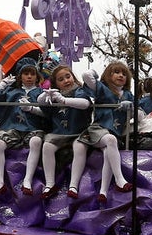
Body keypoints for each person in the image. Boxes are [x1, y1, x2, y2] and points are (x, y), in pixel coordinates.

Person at [67, 61, 135, 203]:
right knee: (109, 141)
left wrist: (131, 108)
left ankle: (103, 192)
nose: (121, 75)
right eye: (116, 72)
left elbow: (137, 115)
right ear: (108, 75)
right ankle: (119, 179)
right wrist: (94, 73)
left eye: (124, 73)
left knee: (108, 150)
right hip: (99, 129)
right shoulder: (102, 88)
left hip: (113, 132)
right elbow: (86, 75)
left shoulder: (128, 94)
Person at [0, 65, 47, 196]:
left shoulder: (41, 93)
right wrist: (2, 84)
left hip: (33, 128)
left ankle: (27, 180)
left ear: (37, 76)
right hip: (12, 127)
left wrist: (31, 109)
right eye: (26, 74)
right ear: (20, 77)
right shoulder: (12, 92)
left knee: (36, 142)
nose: (29, 77)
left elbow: (48, 113)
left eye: (32, 74)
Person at [37, 64, 92, 198]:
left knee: (80, 147)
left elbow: (85, 104)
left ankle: (73, 185)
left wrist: (64, 100)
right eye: (61, 79)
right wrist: (46, 95)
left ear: (73, 77)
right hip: (59, 133)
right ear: (56, 84)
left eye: (68, 76)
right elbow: (41, 104)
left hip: (79, 132)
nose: (66, 80)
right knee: (47, 147)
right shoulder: (54, 96)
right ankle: (50, 184)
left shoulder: (79, 91)